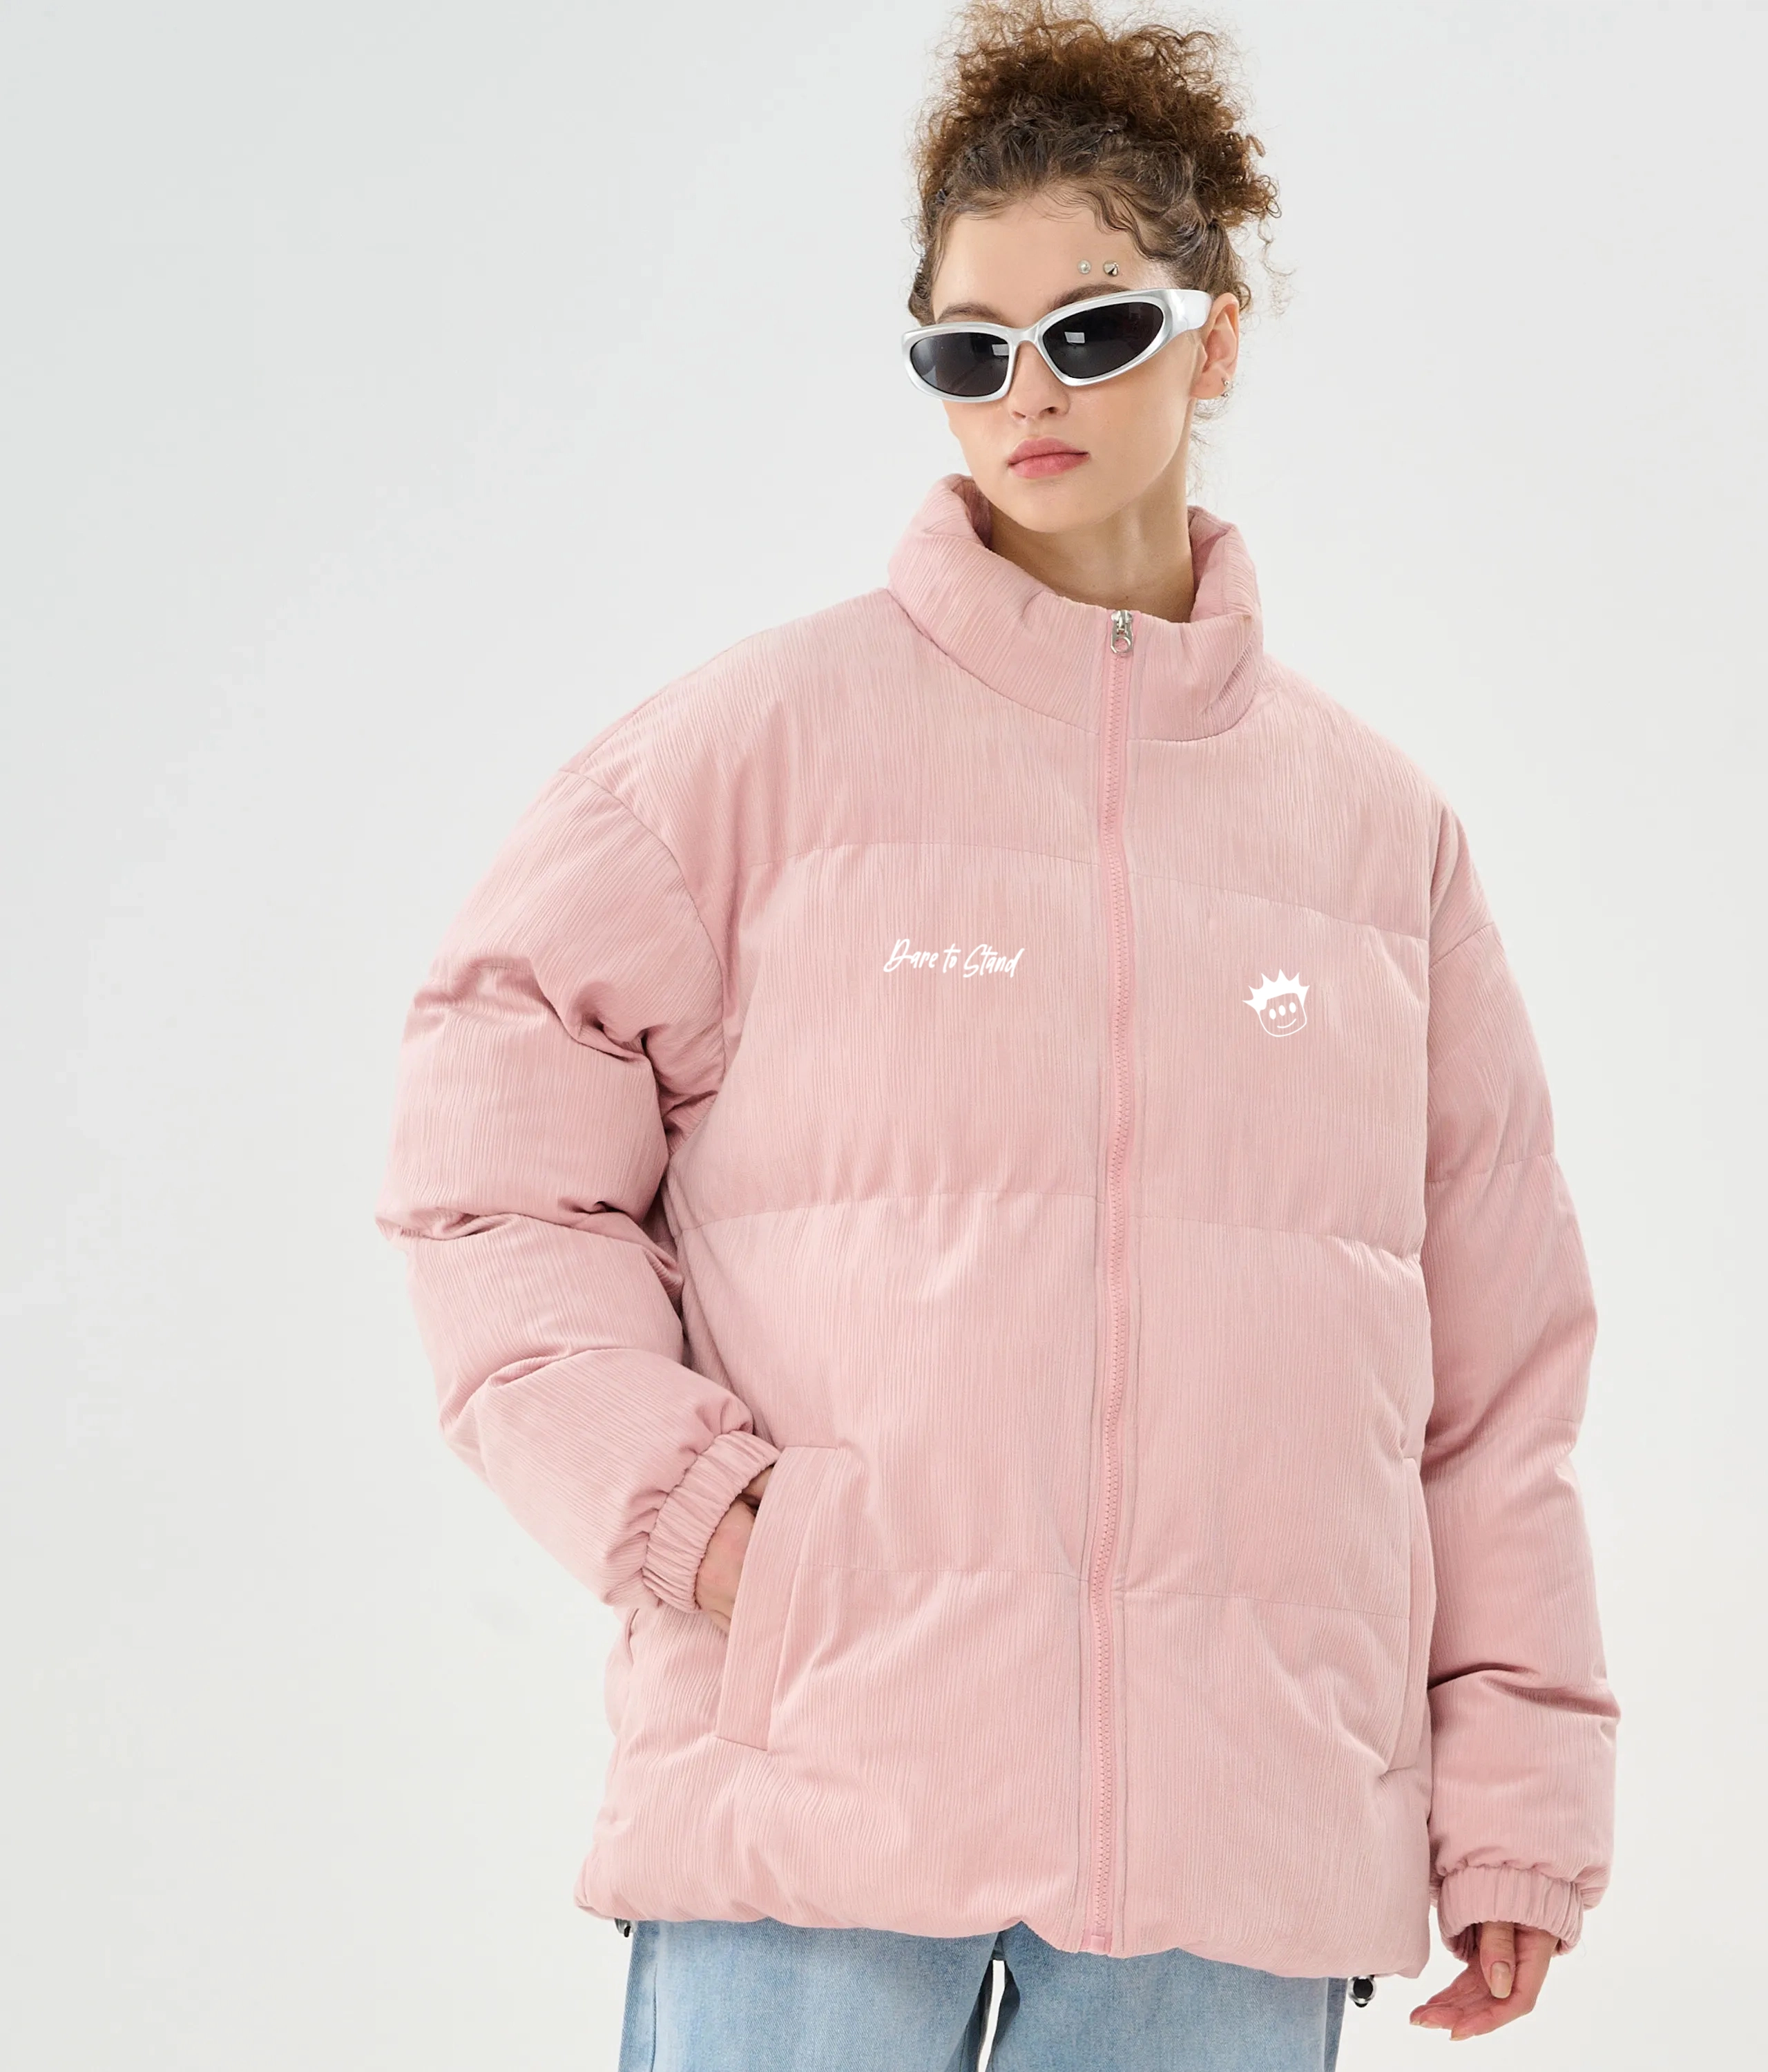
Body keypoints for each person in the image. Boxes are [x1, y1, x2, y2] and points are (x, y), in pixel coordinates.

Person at [373, 3, 1619, 2065]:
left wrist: (1517, 1801)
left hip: (1237, 1852)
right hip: (816, 1817)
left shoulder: (1374, 841)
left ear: (1217, 341)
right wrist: (704, 1527)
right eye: (968, 349)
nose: (1027, 389)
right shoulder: (751, 757)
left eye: (1093, 330)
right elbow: (483, 1168)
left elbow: (1498, 1379)